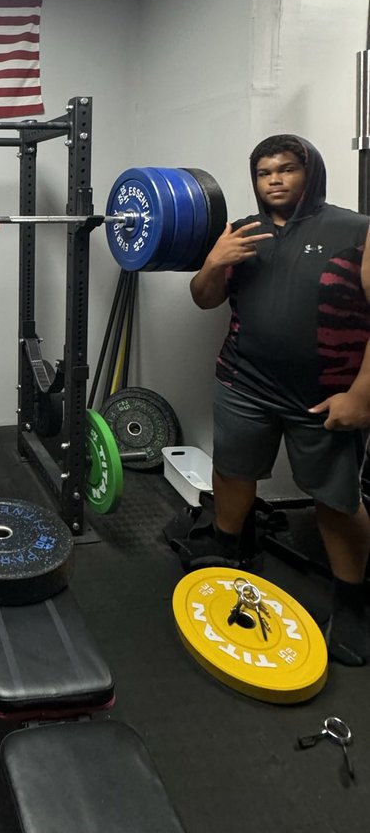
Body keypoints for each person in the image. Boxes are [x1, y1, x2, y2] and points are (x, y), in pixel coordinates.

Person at [184, 133, 370, 666]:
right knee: (234, 472)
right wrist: (215, 260)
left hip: (325, 398)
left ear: (310, 172)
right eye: (265, 173)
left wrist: (362, 395)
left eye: (286, 169)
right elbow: (203, 298)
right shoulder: (243, 232)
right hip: (244, 383)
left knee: (336, 501)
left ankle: (352, 601)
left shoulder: (355, 229)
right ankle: (226, 547)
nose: (275, 180)